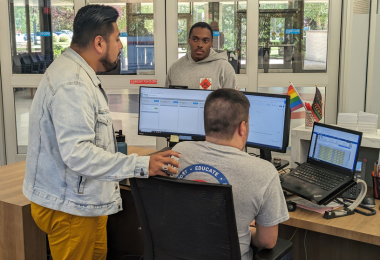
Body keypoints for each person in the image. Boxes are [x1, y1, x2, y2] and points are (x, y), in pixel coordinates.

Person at [23, 5, 180, 260]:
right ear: (99, 43)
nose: (120, 45)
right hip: (70, 208)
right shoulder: (73, 84)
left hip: (83, 204)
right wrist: (141, 165)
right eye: (117, 38)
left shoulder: (78, 74)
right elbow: (78, 154)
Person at [172, 89, 289, 260]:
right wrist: (244, 228)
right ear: (242, 127)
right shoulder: (264, 172)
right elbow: (267, 241)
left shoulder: (179, 152)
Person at [165, 22, 237, 90]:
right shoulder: (175, 68)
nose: (200, 45)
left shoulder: (224, 69)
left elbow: (231, 102)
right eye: (195, 39)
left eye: (205, 41)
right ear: (189, 41)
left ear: (211, 43)